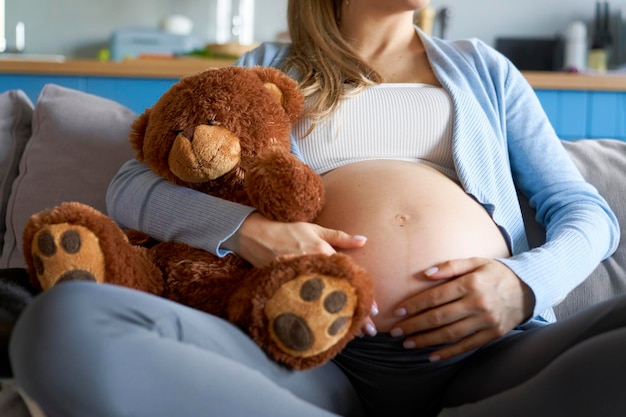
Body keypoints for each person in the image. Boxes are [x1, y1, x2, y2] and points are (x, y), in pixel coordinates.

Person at [9, 1, 626, 416]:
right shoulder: (263, 69)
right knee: (64, 322)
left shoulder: (481, 70)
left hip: (486, 359)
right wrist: (247, 231)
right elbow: (129, 187)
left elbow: (585, 211)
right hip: (306, 358)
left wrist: (523, 285)